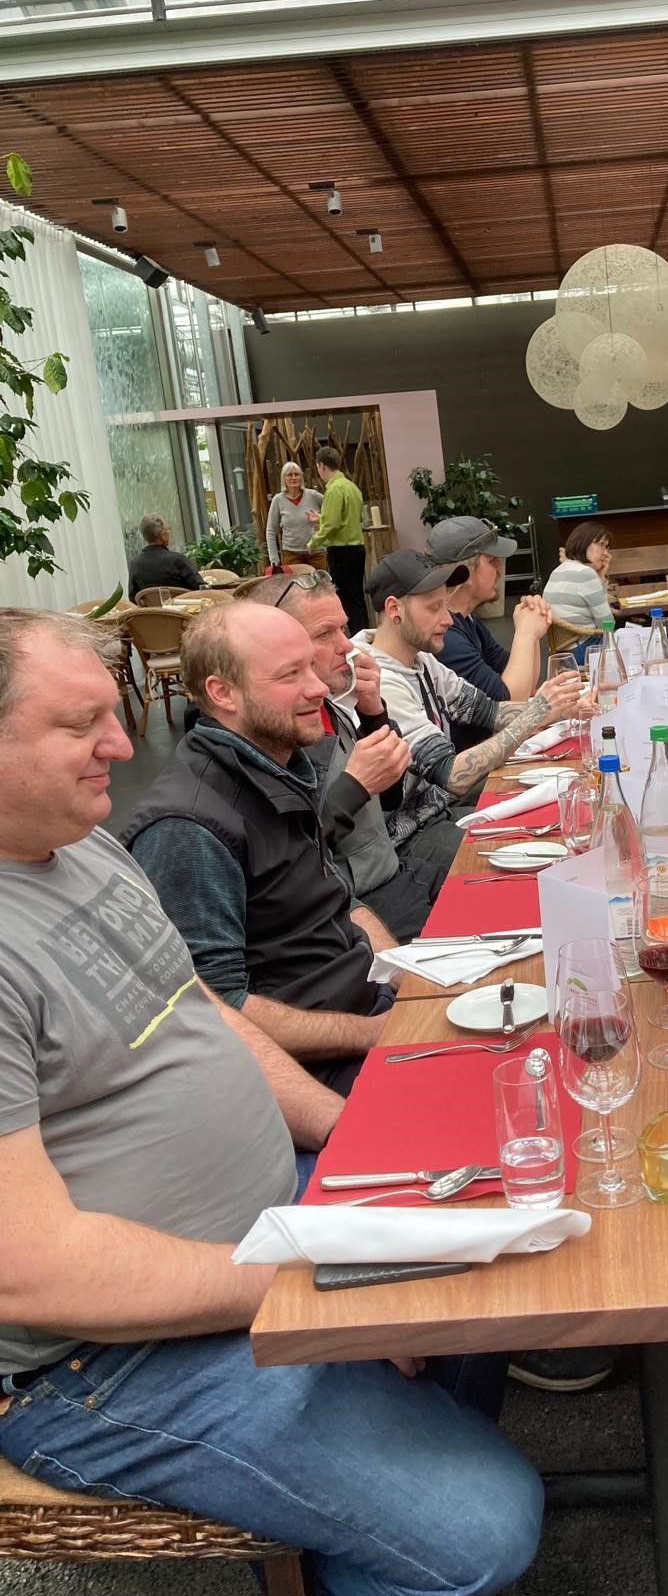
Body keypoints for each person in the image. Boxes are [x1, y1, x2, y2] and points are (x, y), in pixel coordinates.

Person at [0, 607, 543, 1596]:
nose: (122, 745)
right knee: (485, 1526)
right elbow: (32, 1275)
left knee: (482, 1204)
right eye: (81, 726)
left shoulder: (82, 848)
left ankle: (374, 1474)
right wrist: (317, 1282)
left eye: (114, 715)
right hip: (102, 1357)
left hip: (262, 1222)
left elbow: (203, 1012)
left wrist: (350, 1135)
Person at [123, 601, 398, 1097]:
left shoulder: (278, 766)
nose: (318, 687)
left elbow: (338, 896)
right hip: (319, 1068)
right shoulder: (189, 828)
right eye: (290, 674)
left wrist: (408, 977)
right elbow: (219, 1006)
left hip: (369, 1006)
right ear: (222, 693)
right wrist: (377, 1033)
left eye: (310, 666)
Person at [249, 570, 462, 940]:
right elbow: (292, 858)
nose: (347, 646)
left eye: (343, 629)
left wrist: (373, 712)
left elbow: (390, 800)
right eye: (325, 634)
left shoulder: (332, 708)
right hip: (358, 904)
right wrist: (354, 786)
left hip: (393, 873)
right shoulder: (271, 733)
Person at [357, 549, 587, 802]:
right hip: (424, 823)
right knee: (570, 798)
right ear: (394, 608)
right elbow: (452, 776)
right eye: (434, 607)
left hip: (445, 810)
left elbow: (491, 711)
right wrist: (537, 712)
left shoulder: (421, 659)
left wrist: (559, 707)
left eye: (445, 606)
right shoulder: (378, 679)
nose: (448, 619)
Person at [428, 514, 553, 711]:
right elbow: (510, 704)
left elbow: (526, 686)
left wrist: (532, 625)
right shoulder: (446, 636)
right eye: (492, 561)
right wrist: (526, 633)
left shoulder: (468, 620)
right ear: (465, 572)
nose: (500, 568)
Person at [307, 444, 366, 635]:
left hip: (342, 552)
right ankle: (363, 634)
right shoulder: (351, 487)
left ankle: (356, 638)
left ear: (321, 465)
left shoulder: (333, 489)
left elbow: (332, 525)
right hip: (357, 549)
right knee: (356, 597)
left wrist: (313, 542)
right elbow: (349, 519)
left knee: (346, 599)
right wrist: (320, 518)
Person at [541, 521, 613, 642]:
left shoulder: (559, 570)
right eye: (601, 545)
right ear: (583, 543)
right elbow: (607, 623)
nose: (606, 553)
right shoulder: (585, 573)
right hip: (585, 644)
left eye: (607, 547)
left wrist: (601, 577)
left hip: (563, 646)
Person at [126, 513, 204, 599]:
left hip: (152, 608)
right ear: (163, 535)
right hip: (183, 608)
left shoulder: (135, 564)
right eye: (167, 530)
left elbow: (132, 598)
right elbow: (201, 588)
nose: (169, 533)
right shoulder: (178, 560)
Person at [265, 460, 323, 568]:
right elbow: (271, 530)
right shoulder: (278, 500)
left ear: (301, 477)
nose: (293, 478)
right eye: (289, 475)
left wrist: (320, 519)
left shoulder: (314, 496)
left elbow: (332, 515)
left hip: (316, 553)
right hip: (291, 555)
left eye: (297, 474)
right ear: (284, 478)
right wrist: (273, 557)